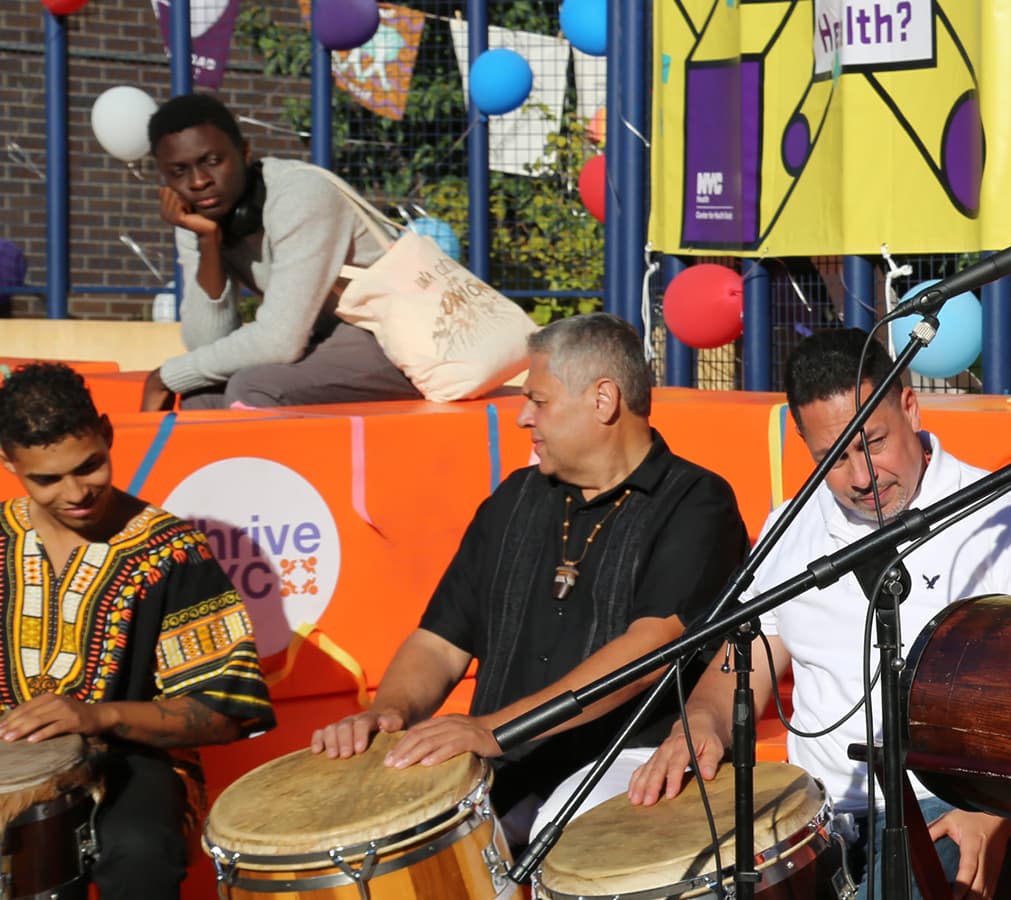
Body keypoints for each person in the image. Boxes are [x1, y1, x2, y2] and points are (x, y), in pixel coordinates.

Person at [619, 327, 1011, 898]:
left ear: (912, 407)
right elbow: (751, 653)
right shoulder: (789, 527)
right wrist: (700, 720)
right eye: (833, 458)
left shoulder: (1009, 524)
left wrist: (996, 814)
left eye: (873, 442)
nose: (862, 477)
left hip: (959, 802)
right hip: (809, 813)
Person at [306, 313, 747, 842]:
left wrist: (497, 729)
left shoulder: (697, 501)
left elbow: (649, 649)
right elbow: (440, 643)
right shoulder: (514, 498)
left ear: (603, 400)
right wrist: (387, 716)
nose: (522, 419)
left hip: (623, 792)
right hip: (496, 786)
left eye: (538, 401)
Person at [0, 363, 275, 899]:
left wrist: (99, 715)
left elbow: (223, 712)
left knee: (140, 852)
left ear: (107, 433)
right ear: (9, 463)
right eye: (47, 479)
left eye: (89, 466)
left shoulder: (173, 552)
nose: (76, 491)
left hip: (135, 757)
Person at [146, 92, 421, 411]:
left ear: (245, 152)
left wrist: (167, 376)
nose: (199, 182)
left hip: (399, 339)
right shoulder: (194, 219)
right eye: (179, 171)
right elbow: (205, 344)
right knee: (203, 398)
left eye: (212, 161)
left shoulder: (300, 194)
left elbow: (280, 342)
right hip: (331, 341)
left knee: (252, 388)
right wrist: (208, 242)